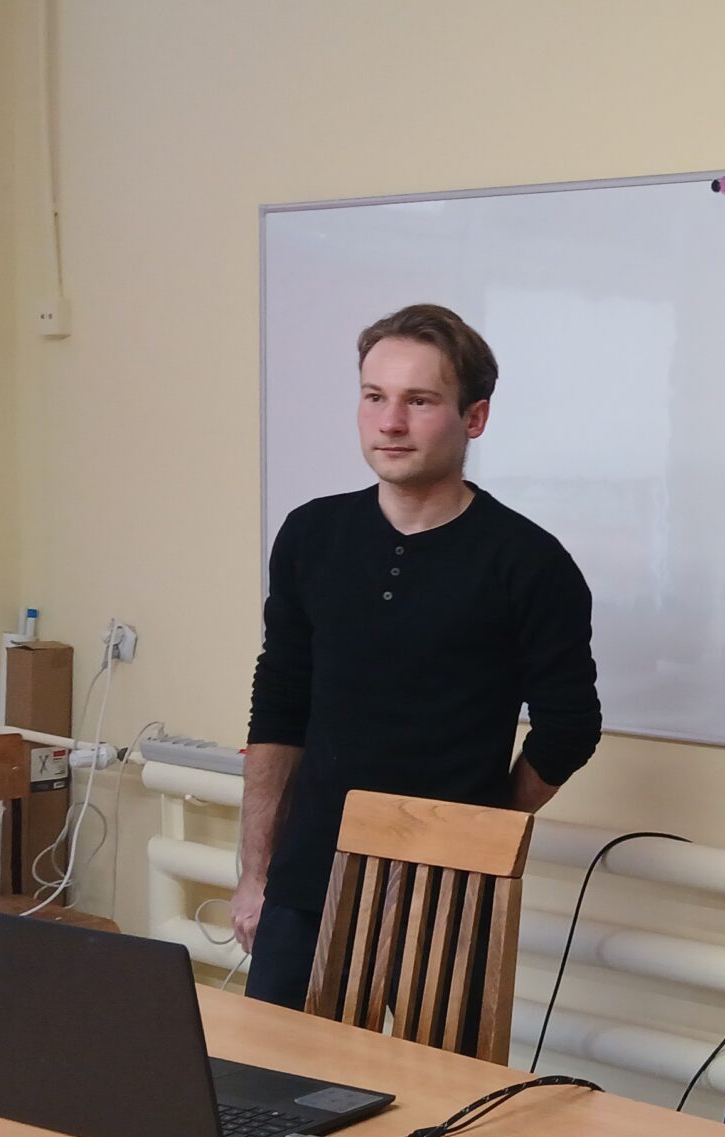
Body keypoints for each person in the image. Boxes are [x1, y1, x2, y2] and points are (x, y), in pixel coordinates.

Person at [232, 303, 600, 1033]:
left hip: (448, 899)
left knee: (438, 1094)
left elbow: (570, 727)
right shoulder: (312, 535)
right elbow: (279, 704)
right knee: (273, 1082)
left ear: (475, 417)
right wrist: (255, 873)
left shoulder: (528, 562)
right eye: (375, 397)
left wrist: (480, 827)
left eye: (420, 401)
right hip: (307, 884)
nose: (391, 422)